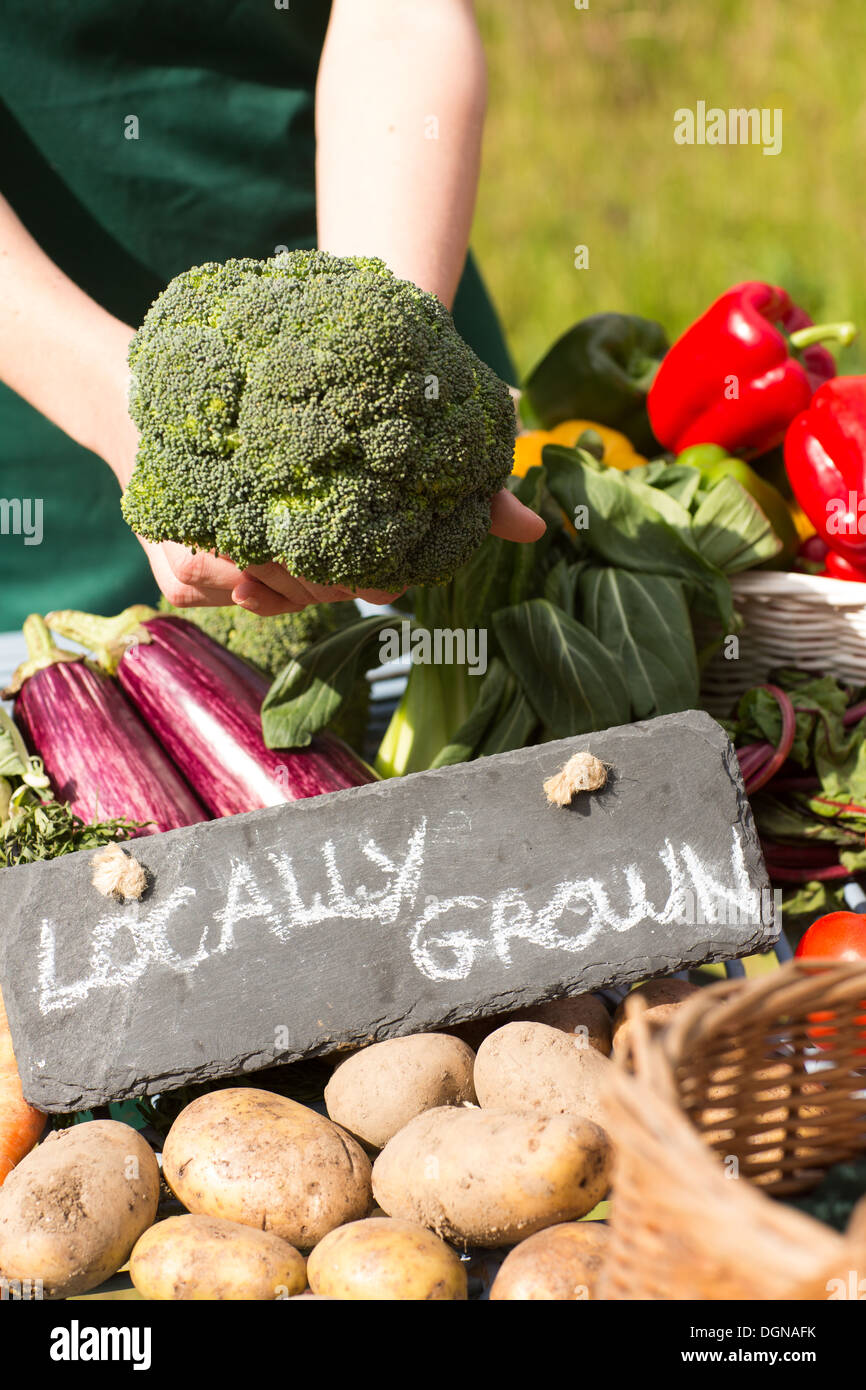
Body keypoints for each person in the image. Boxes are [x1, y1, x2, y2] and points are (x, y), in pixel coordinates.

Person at [0, 0, 542, 656]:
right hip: (36, 466)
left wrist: (387, 350)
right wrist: (122, 400)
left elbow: (399, 16)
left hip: (391, 230)